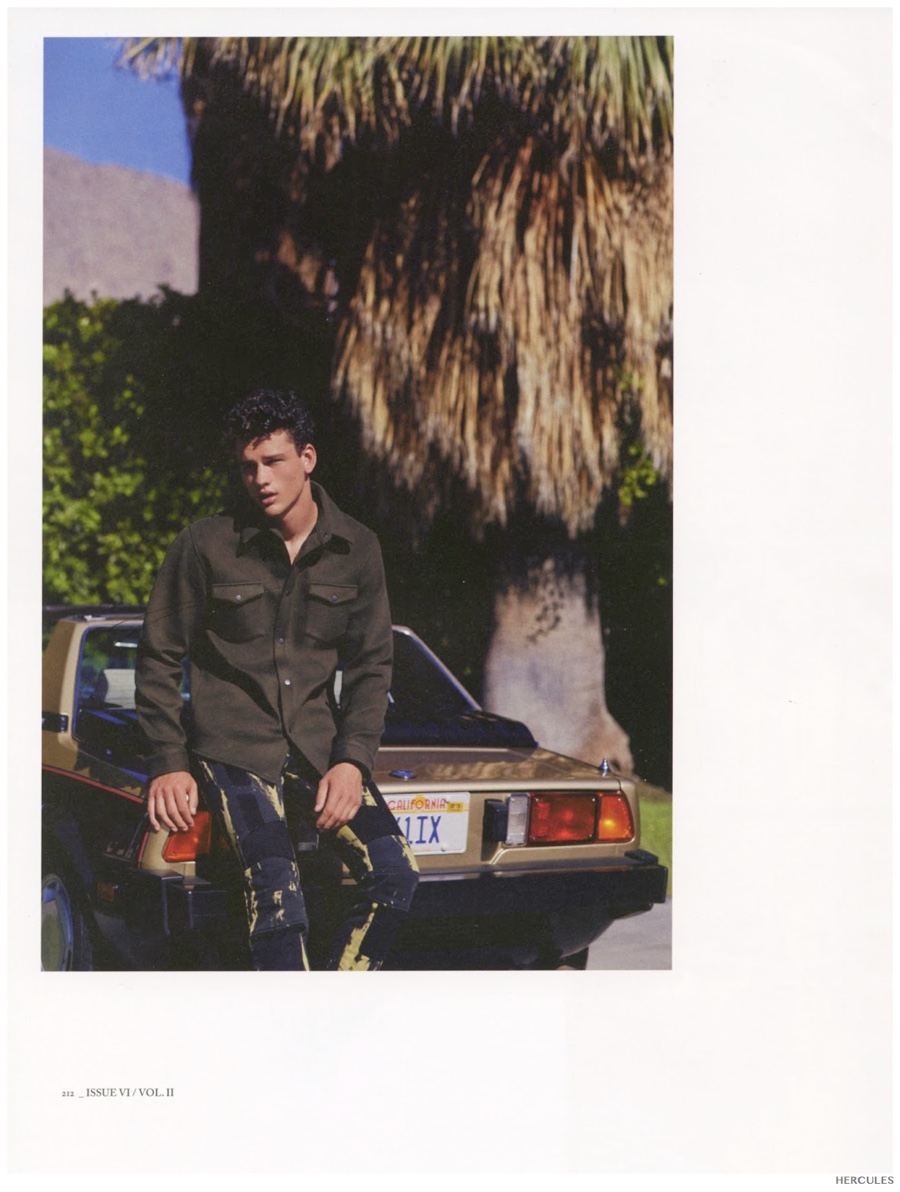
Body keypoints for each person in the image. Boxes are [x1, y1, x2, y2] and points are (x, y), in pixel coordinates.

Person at [135, 388, 419, 970]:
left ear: (307, 458)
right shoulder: (204, 545)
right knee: (277, 892)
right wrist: (168, 761)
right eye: (248, 466)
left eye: (273, 461)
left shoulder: (358, 548)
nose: (260, 478)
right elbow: (158, 655)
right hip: (232, 748)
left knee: (396, 872)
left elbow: (371, 667)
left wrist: (352, 761)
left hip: (318, 747)